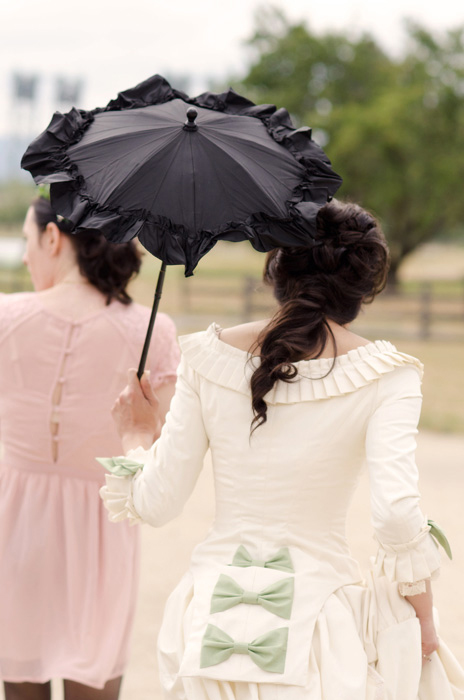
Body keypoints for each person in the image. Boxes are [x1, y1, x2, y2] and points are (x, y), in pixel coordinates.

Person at [100, 199, 464, 700]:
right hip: (319, 637)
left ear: (276, 269)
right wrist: (423, 618)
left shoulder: (207, 357)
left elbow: (155, 503)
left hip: (205, 632)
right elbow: (397, 515)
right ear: (361, 291)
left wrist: (138, 434)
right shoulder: (389, 375)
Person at [0, 196, 180, 700]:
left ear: (53, 238)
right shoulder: (153, 332)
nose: (24, 257)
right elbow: (156, 448)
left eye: (27, 242)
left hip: (14, 528)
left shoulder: (5, 315)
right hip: (103, 530)